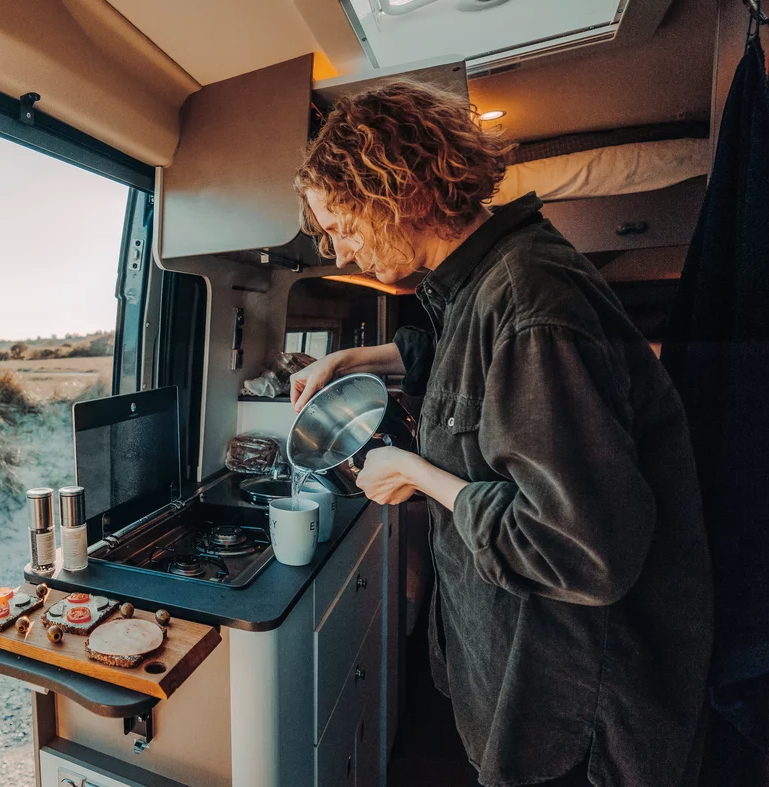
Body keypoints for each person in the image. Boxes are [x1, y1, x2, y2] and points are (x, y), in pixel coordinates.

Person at [289, 81, 712, 787]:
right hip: (527, 689)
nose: (336, 248)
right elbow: (466, 355)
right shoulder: (485, 280)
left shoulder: (530, 300)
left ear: (400, 192)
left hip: (574, 722)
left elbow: (583, 549)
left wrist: (415, 471)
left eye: (342, 224)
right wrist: (358, 357)